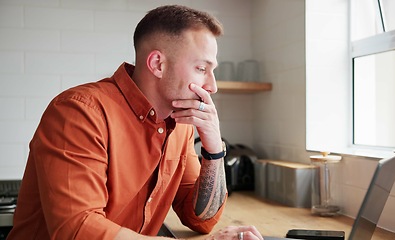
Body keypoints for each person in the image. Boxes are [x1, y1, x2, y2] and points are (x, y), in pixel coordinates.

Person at [7, 5, 263, 240]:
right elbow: (76, 230)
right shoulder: (78, 112)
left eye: (212, 70)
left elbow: (200, 220)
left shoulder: (181, 124)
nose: (212, 86)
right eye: (201, 69)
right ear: (157, 64)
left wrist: (214, 148)